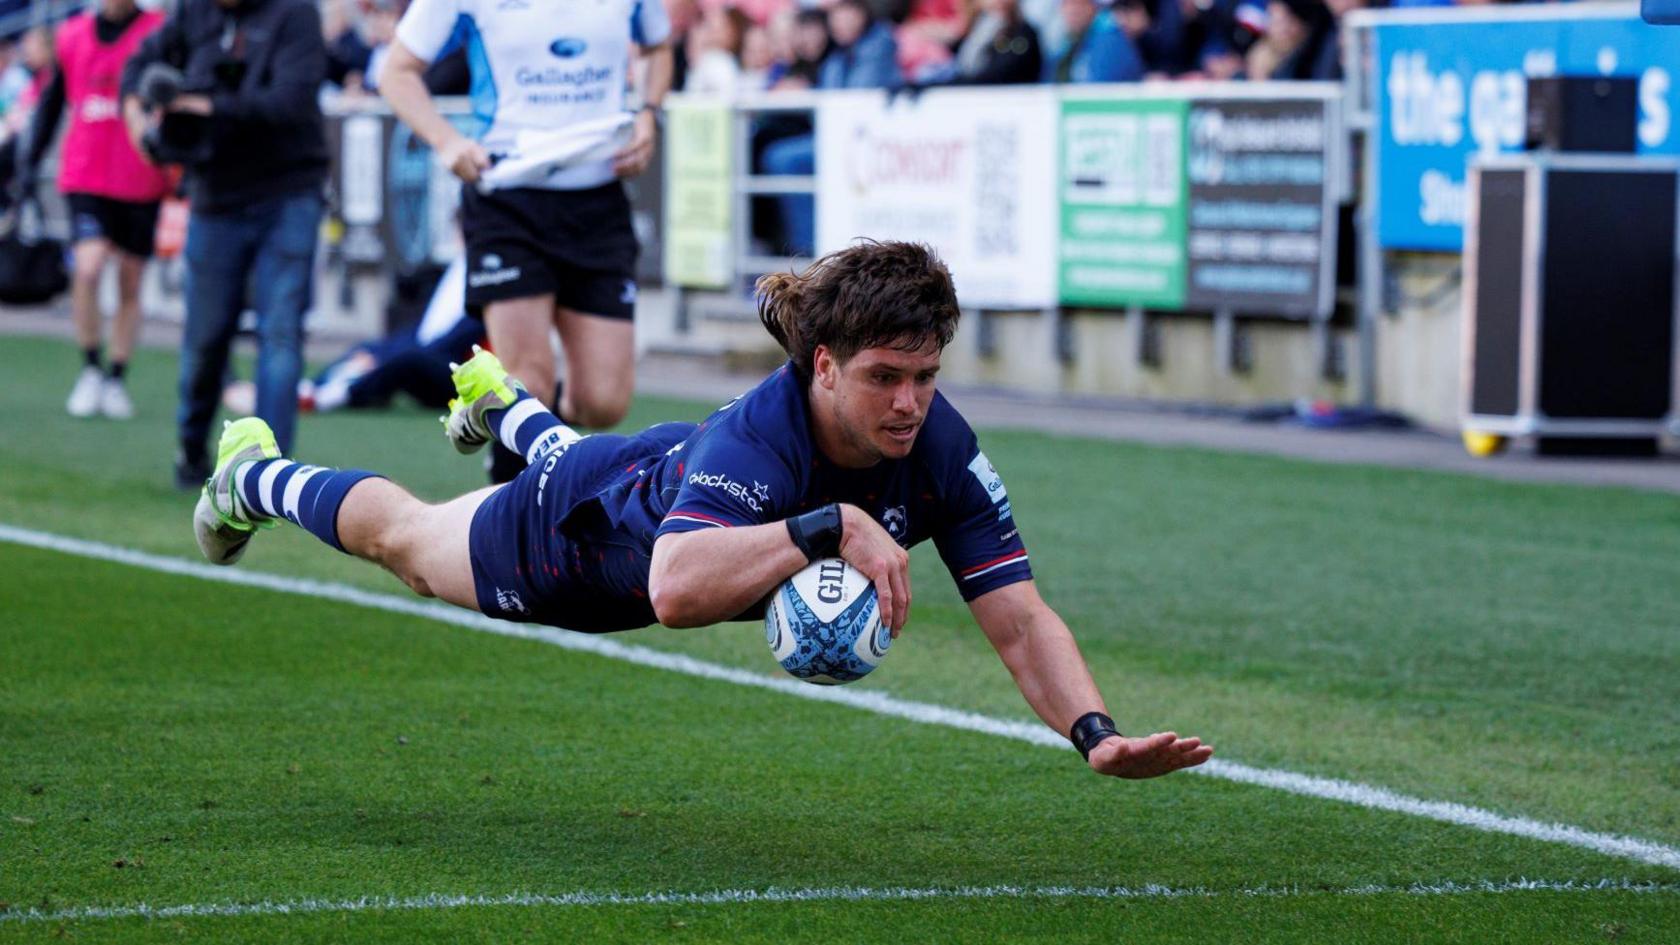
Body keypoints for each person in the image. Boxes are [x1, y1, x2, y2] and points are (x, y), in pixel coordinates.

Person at [190, 240, 1214, 781]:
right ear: (823, 367)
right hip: (578, 541)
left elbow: (1021, 616)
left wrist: (1094, 733)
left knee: (592, 450)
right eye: (885, 377)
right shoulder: (759, 442)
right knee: (409, 544)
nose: (910, 402)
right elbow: (673, 591)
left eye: (927, 376)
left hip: (647, 467)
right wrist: (827, 528)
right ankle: (255, 470)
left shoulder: (937, 443)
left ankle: (499, 403)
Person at [379, 0, 675, 485]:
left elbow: (659, 47)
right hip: (507, 198)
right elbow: (397, 72)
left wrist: (648, 114)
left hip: (597, 201)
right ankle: (510, 497)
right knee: (529, 380)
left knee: (602, 403)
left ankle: (497, 413)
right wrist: (447, 141)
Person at [121, 0, 329, 488]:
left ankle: (273, 480)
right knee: (205, 340)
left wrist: (202, 104)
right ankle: (192, 452)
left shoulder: (294, 14)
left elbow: (290, 101)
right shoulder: (193, 13)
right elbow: (136, 66)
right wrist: (136, 116)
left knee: (280, 334)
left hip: (288, 191)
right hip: (214, 197)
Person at [23, 0, 172, 421]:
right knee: (88, 266)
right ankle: (90, 367)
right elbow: (53, 101)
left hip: (140, 174)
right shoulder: (72, 35)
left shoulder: (158, 31)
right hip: (86, 172)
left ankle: (116, 377)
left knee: (130, 281)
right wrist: (30, 160)